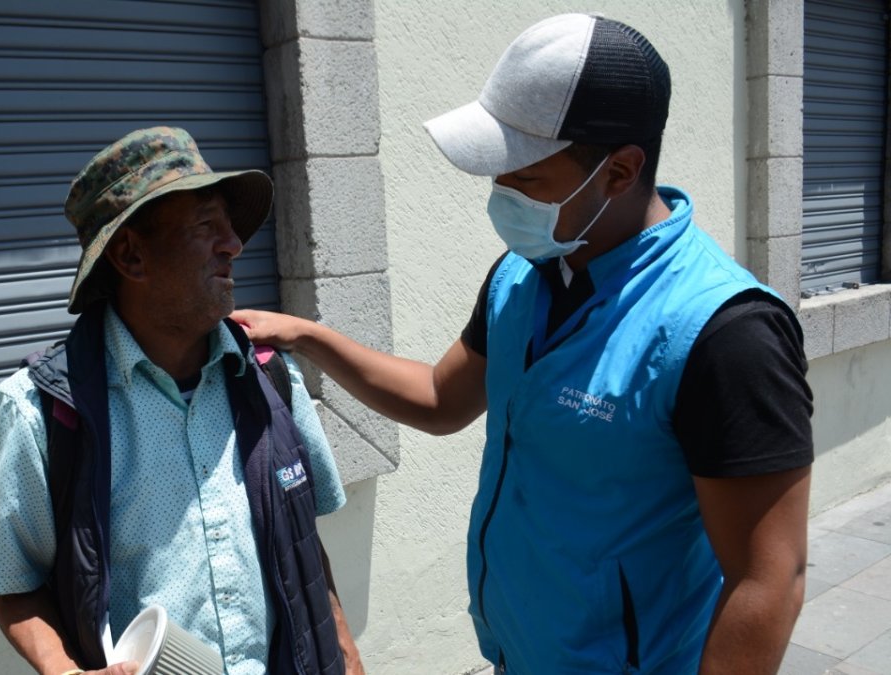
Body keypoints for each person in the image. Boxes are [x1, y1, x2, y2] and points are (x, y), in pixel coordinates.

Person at [233, 14, 813, 674]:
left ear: (620, 170)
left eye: (525, 178)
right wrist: (308, 336)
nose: (501, 194)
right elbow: (440, 397)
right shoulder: (523, 276)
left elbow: (769, 579)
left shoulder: (724, 332)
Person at [0, 126, 364, 675]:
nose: (234, 244)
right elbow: (14, 584)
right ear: (131, 256)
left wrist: (346, 654)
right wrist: (63, 671)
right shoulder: (44, 414)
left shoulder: (269, 379)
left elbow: (302, 545)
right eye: (207, 225)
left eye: (231, 226)